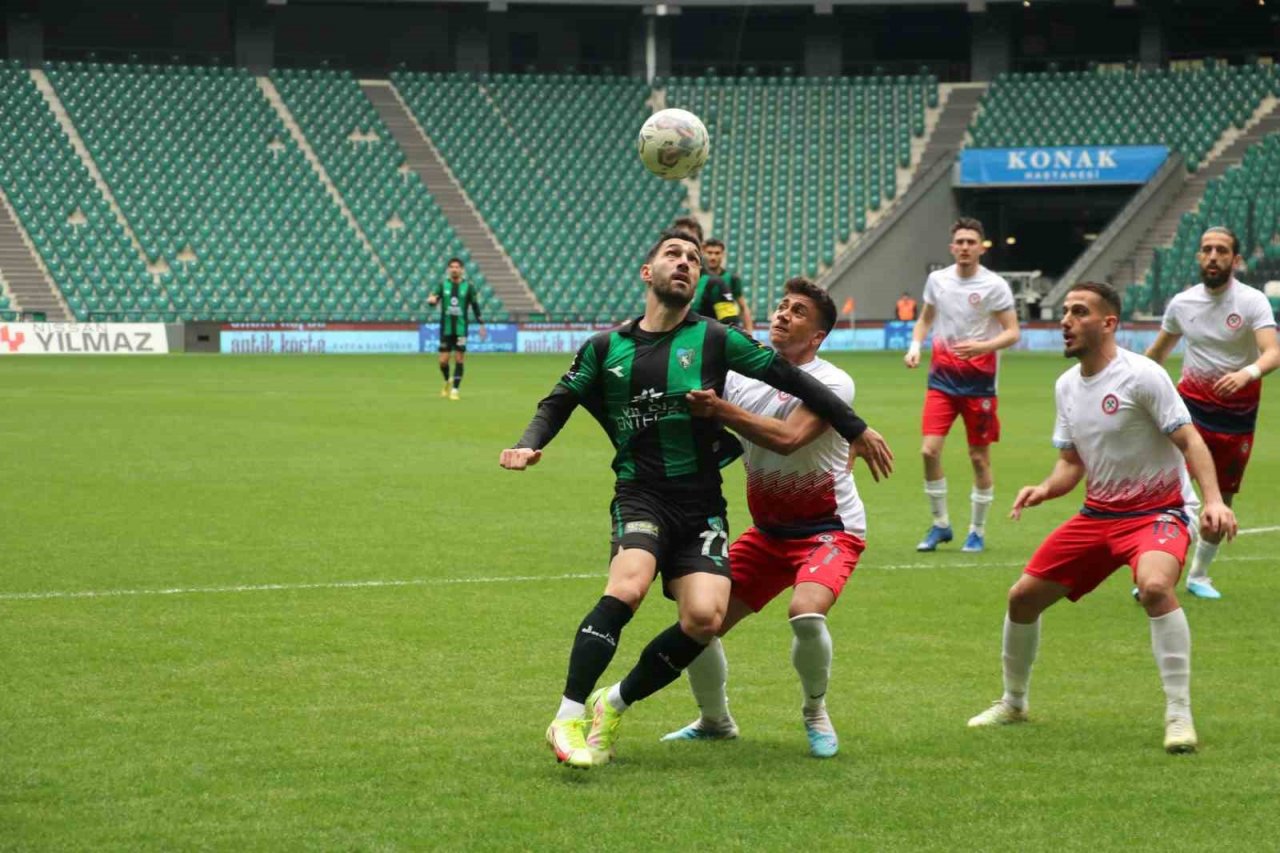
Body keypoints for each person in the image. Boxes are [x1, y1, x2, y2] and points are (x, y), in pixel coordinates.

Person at [499, 229, 892, 770]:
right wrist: (528, 443)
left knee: (705, 619)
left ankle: (621, 705)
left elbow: (792, 386)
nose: (685, 262)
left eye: (693, 258)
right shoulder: (604, 348)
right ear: (647, 272)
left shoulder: (716, 342)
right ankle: (569, 715)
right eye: (673, 254)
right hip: (643, 494)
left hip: (716, 506)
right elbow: (559, 401)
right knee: (629, 585)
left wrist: (856, 426)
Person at [967, 282, 1236, 755]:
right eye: (1064, 311)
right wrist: (1044, 488)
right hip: (1098, 515)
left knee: (1155, 586)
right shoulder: (1066, 386)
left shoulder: (1143, 375)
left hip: (1159, 512)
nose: (1065, 321)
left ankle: (1179, 714)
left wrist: (1214, 501)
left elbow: (1190, 440)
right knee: (1022, 599)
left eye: (1079, 312)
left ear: (1108, 323)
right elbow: (1071, 464)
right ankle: (1014, 703)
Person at [660, 277, 891, 758]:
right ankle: (714, 720)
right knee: (699, 622)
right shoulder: (741, 376)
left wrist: (720, 410)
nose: (783, 314)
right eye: (783, 306)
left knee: (805, 612)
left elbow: (788, 439)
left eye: (798, 311)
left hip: (830, 528)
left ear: (818, 336)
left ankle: (815, 711)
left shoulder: (833, 382)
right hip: (768, 532)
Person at [1144, 226, 1279, 599]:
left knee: (1222, 498)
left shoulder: (1252, 301)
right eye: (1207, 249)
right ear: (1199, 257)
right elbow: (1157, 354)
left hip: (1237, 417)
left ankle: (1199, 575)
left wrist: (1247, 373)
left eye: (1221, 250)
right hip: (1190, 410)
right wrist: (1128, 383)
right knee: (1172, 494)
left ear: (1236, 260)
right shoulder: (1182, 303)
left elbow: (1272, 352)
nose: (1213, 256)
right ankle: (1157, 575)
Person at [904, 218, 1020, 553]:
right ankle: (940, 525)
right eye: (960, 242)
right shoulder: (937, 281)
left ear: (981, 247)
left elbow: (1012, 332)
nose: (965, 247)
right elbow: (926, 319)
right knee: (928, 451)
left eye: (971, 242)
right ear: (952, 247)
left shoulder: (994, 285)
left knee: (979, 459)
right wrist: (915, 346)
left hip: (980, 385)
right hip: (941, 380)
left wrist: (984, 347)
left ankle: (977, 531)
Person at [428, 258, 487, 400]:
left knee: (459, 359)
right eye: (452, 267)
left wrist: (481, 324)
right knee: (443, 361)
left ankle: (455, 390)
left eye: (457, 267)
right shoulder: (443, 285)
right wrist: (431, 301)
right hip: (446, 329)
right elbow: (433, 299)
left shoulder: (468, 287)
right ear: (449, 269)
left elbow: (475, 306)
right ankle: (447, 380)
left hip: (461, 329)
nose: (454, 269)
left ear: (462, 270)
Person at [692, 238, 754, 331]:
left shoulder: (732, 279)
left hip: (722, 329)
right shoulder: (696, 277)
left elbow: (743, 307)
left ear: (723, 254)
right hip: (699, 327)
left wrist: (749, 331)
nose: (713, 257)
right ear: (703, 253)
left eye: (717, 253)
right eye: (709, 253)